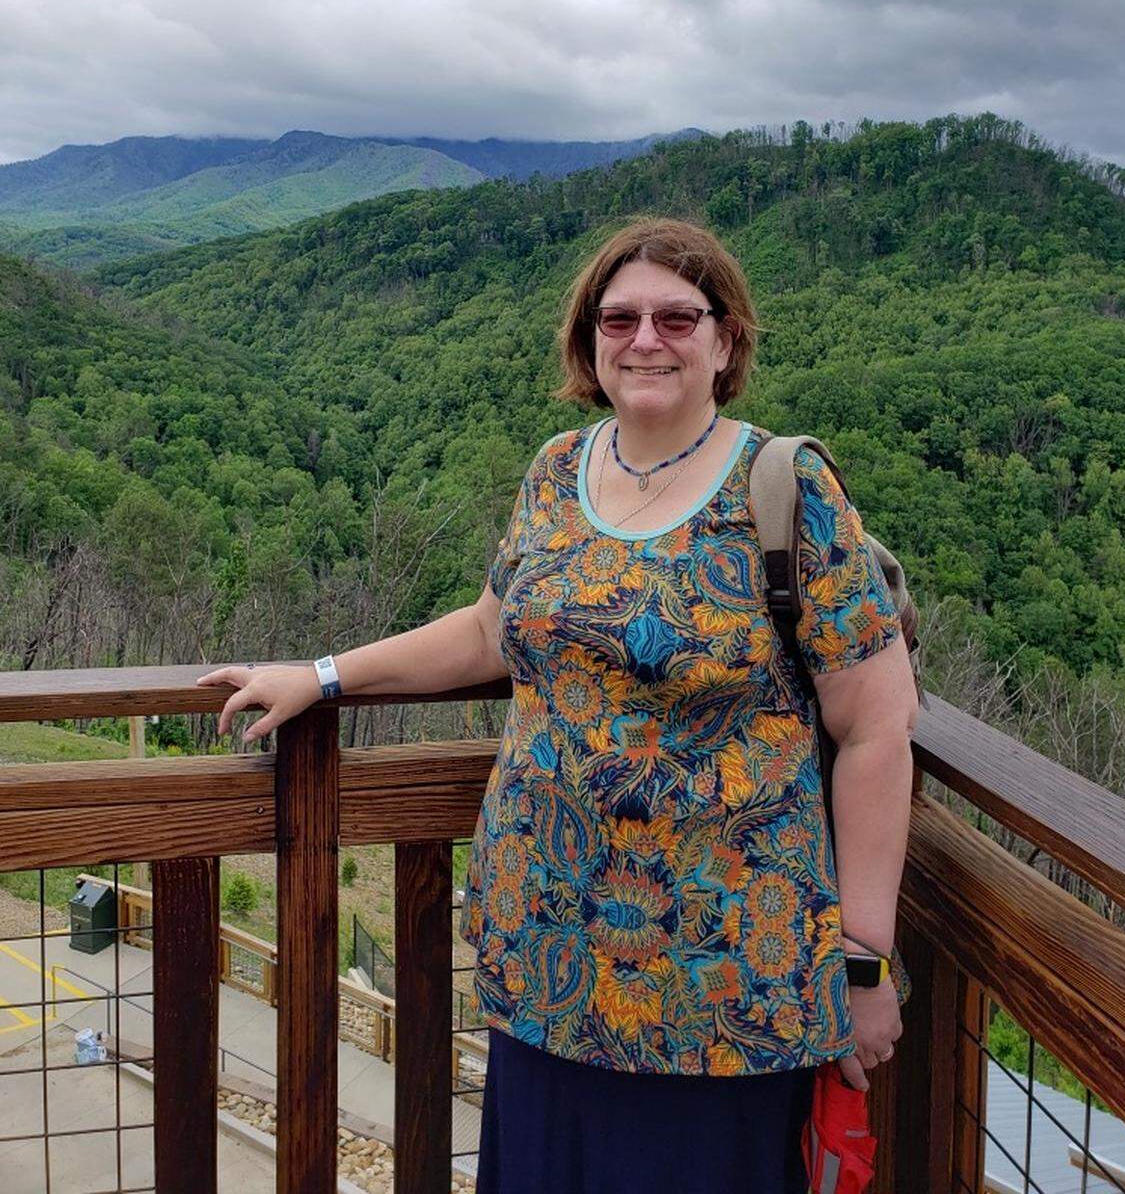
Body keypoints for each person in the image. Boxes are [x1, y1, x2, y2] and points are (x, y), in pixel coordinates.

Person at [203, 216, 918, 1194]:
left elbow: (876, 727)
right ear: (590, 342)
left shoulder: (786, 488)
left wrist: (864, 960)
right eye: (619, 319)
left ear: (725, 340)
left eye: (677, 317)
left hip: (725, 985)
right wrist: (323, 675)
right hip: (547, 957)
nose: (646, 338)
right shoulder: (556, 470)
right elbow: (488, 630)